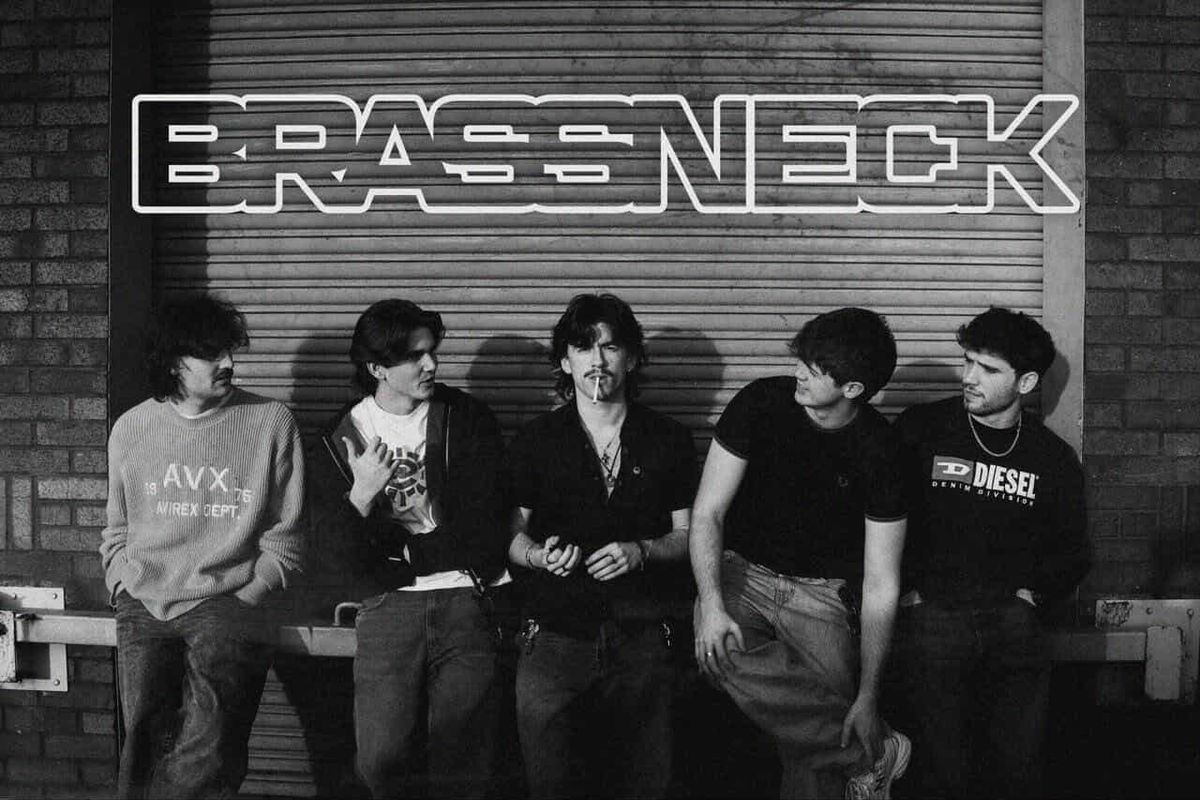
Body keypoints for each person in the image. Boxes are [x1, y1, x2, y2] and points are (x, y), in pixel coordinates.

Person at [690, 307, 910, 800]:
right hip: (742, 573)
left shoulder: (881, 451)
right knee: (721, 649)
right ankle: (873, 755)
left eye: (814, 370)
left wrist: (869, 695)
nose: (798, 374)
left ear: (853, 388)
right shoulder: (760, 403)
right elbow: (708, 514)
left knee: (818, 721)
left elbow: (881, 581)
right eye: (801, 361)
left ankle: (856, 744)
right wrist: (712, 605)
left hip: (822, 595)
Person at [99, 294, 306, 799]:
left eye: (230, 351)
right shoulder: (133, 428)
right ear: (173, 362)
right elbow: (117, 526)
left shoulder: (270, 421)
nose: (229, 363)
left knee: (210, 749)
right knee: (143, 744)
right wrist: (121, 580)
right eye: (212, 353)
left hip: (227, 599)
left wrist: (252, 592)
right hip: (144, 598)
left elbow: (288, 532)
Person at [891, 307, 1089, 799]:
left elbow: (1073, 549)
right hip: (933, 616)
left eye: (988, 369)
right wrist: (909, 594)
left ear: (1025, 383)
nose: (969, 378)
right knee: (941, 767)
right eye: (968, 362)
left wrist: (1031, 597)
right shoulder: (922, 429)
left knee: (1017, 765)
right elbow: (878, 517)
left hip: (1012, 621)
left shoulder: (1051, 458)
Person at [506, 293, 696, 799]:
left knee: (645, 783)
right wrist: (538, 555)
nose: (597, 360)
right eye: (583, 347)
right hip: (554, 636)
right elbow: (510, 537)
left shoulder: (668, 439)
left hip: (643, 635)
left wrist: (643, 550)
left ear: (631, 358)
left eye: (610, 347)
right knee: (552, 783)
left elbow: (691, 537)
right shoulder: (536, 440)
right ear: (565, 362)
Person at [323, 299, 508, 799]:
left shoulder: (465, 418)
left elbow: (486, 525)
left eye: (432, 352)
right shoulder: (342, 436)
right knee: (381, 761)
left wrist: (405, 555)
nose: (431, 365)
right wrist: (361, 497)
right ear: (376, 368)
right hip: (387, 605)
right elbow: (336, 552)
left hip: (466, 596)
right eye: (413, 356)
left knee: (463, 763)